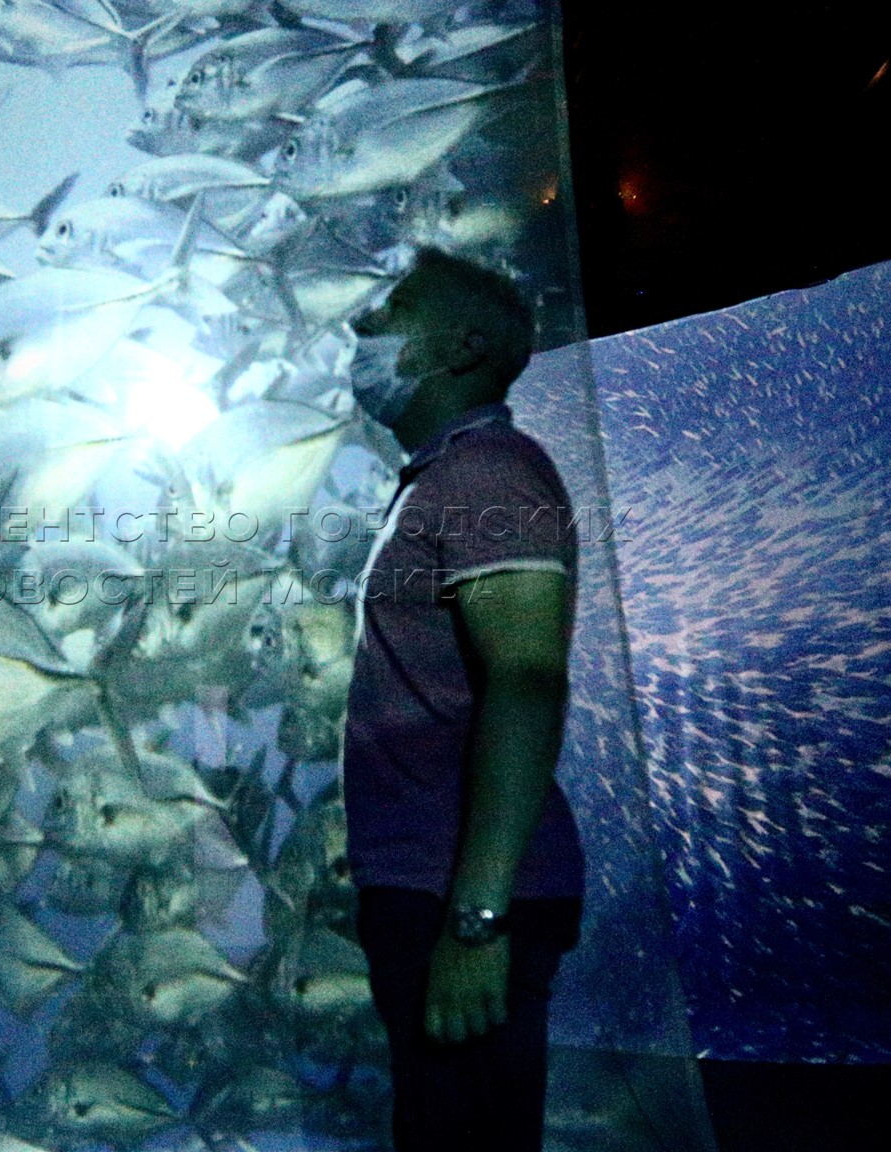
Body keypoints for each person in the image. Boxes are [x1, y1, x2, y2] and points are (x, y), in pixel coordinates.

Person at [344, 247, 585, 1152]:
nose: (364, 323)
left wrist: (478, 922)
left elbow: (527, 678)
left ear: (462, 347)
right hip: (433, 887)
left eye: (395, 309)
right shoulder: (447, 476)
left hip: (464, 897)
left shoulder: (486, 472)